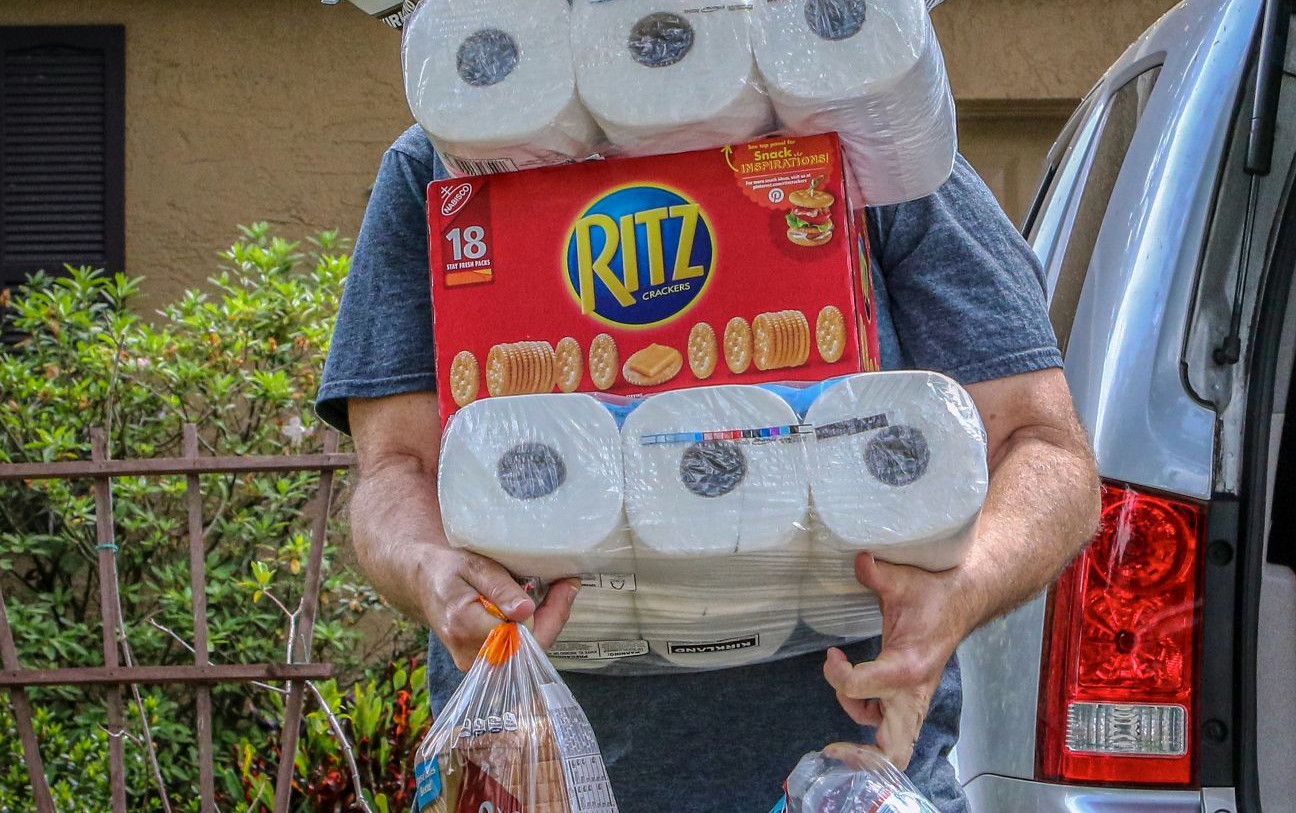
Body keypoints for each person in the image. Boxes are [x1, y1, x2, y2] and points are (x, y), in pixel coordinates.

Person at [316, 126, 1101, 812]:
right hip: (527, 780)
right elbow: (396, 470)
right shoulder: (449, 162)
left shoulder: (866, 130)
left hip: (846, 785)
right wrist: (431, 572)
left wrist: (956, 596)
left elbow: (1044, 449)